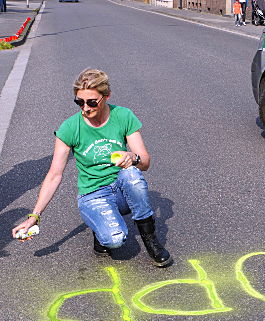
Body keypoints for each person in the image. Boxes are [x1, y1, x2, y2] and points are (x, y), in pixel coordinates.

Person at [11, 68, 173, 268]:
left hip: (120, 186)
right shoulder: (70, 128)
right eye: (79, 102)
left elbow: (145, 163)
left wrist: (133, 156)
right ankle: (100, 228)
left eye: (91, 102)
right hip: (93, 194)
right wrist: (34, 216)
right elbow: (54, 175)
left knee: (132, 175)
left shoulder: (123, 116)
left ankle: (151, 241)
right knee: (115, 240)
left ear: (106, 96)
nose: (85, 108)